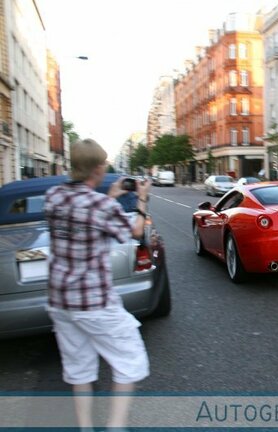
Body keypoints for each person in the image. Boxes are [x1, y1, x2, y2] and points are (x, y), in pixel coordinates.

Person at [44, 139, 151, 431]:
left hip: (59, 300)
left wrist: (111, 196)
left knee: (78, 367)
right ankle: (115, 427)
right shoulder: (101, 205)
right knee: (130, 358)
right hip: (93, 301)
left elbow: (83, 217)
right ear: (99, 168)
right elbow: (134, 232)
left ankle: (85, 428)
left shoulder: (53, 196)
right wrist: (141, 199)